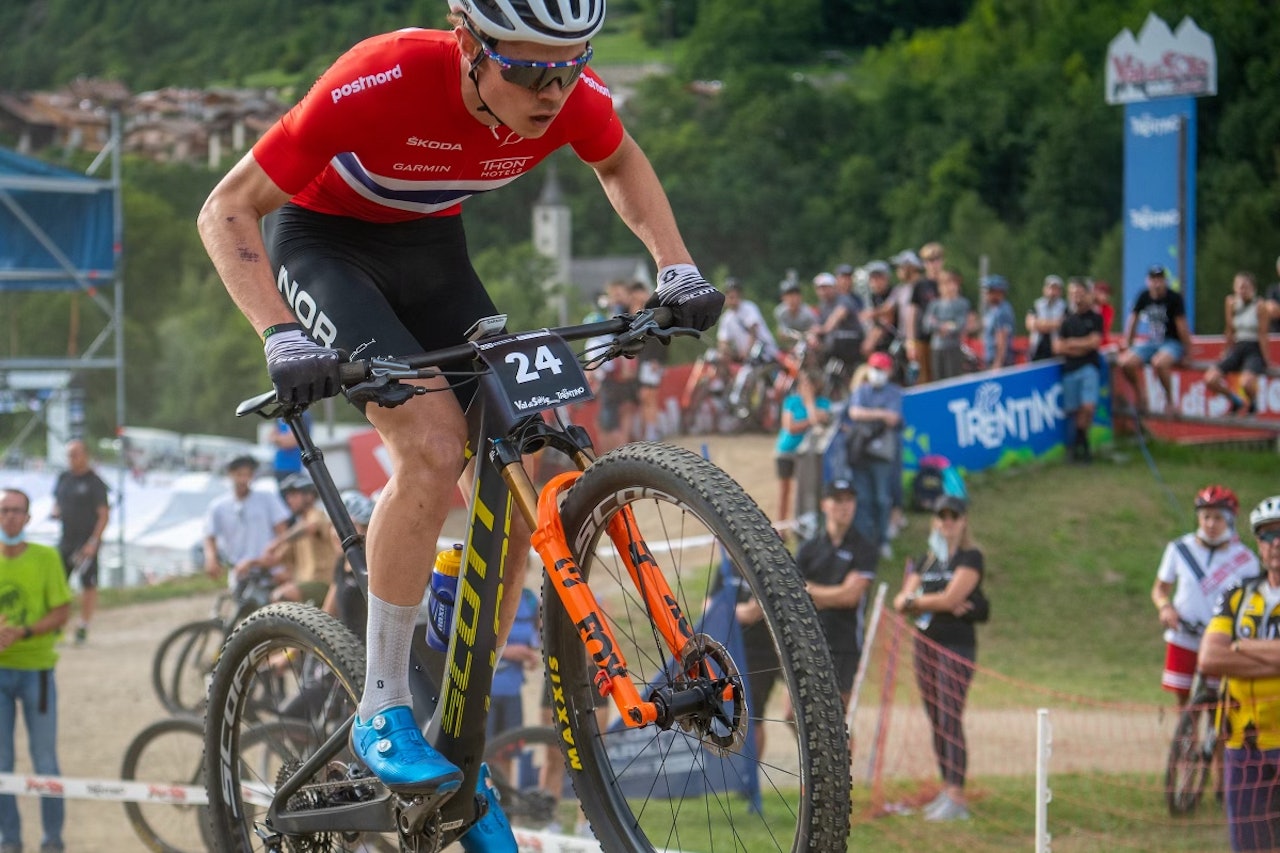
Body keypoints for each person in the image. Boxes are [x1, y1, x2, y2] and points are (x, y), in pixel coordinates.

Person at [196, 2, 724, 835]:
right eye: (528, 71)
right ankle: (380, 705)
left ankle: (458, 727)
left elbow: (620, 162)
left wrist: (676, 267)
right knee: (435, 446)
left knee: (531, 467)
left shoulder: (565, 89)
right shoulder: (383, 75)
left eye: (569, 65)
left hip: (435, 255)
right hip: (327, 250)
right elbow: (225, 209)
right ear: (471, 47)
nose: (552, 89)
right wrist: (279, 334)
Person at [892, 495, 986, 822]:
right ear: (935, 521)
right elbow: (900, 599)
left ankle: (957, 796)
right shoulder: (927, 560)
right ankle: (947, 789)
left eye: (953, 516)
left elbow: (951, 599)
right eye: (942, 516)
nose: (947, 522)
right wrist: (926, 602)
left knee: (950, 717)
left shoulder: (970, 557)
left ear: (963, 521)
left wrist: (921, 601)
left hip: (956, 646)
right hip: (926, 646)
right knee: (935, 717)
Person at [1198, 496, 1280, 852]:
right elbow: (1210, 659)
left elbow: (1227, 652)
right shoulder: (1236, 596)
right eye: (1268, 535)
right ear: (1258, 544)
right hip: (1242, 745)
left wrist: (1242, 647)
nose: (1276, 543)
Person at [0, 488, 73, 853]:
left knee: (45, 761)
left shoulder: (46, 558)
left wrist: (23, 632)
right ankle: (9, 839)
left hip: (37, 671)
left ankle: (52, 840)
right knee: (1, 763)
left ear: (28, 518)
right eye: (4, 511)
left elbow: (62, 611)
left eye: (16, 511)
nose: (9, 517)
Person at [1153, 485, 1259, 706]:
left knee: (1215, 703)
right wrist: (1165, 607)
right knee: (1183, 701)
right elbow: (1160, 588)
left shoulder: (1246, 559)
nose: (1211, 524)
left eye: (1218, 517)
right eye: (1206, 516)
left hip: (1219, 641)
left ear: (1229, 520)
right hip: (1183, 634)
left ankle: (1215, 740)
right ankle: (1185, 740)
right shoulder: (1179, 549)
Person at [792, 479, 878, 712]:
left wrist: (814, 593)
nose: (844, 506)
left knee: (837, 718)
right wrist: (837, 591)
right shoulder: (809, 548)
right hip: (809, 639)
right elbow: (796, 594)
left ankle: (841, 749)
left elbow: (850, 597)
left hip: (845, 642)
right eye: (838, 500)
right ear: (824, 505)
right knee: (794, 713)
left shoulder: (865, 548)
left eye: (849, 500)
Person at [843, 351, 903, 556]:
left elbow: (894, 418)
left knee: (881, 498)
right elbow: (855, 413)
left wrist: (871, 415)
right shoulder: (861, 390)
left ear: (888, 371)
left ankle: (883, 539)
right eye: (874, 368)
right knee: (863, 499)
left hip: (882, 455)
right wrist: (881, 414)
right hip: (860, 453)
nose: (877, 373)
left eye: (881, 369)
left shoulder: (894, 392)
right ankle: (865, 541)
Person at [50, 439, 108, 645]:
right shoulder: (64, 478)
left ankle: (83, 626)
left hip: (86, 543)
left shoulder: (94, 482)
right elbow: (57, 501)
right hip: (65, 541)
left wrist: (94, 541)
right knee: (58, 584)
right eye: (69, 455)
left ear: (85, 455)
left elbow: (103, 515)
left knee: (88, 585)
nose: (72, 459)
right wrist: (56, 511)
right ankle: (56, 626)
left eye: (75, 454)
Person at [201, 455, 292, 587]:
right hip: (239, 571)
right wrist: (211, 559)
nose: (244, 480)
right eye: (239, 475)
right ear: (230, 475)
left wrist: (278, 557)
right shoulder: (219, 506)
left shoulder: (267, 498)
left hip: (268, 569)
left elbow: (282, 532)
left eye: (248, 475)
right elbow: (209, 535)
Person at [1117, 265, 1192, 415]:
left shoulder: (1174, 298)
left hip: (1172, 342)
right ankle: (1141, 395)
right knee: (1125, 362)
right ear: (1148, 281)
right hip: (1152, 341)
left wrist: (1187, 352)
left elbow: (1182, 326)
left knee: (1159, 363)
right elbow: (1133, 320)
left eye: (1160, 279)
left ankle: (1170, 400)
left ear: (1165, 281)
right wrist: (1128, 344)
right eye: (1154, 280)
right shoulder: (1144, 296)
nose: (1157, 283)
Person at [267, 473, 340, 605]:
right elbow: (278, 558)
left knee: (282, 596)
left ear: (309, 495)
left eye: (294, 495)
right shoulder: (297, 528)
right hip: (304, 585)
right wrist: (251, 564)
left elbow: (311, 527)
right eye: (288, 496)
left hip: (323, 583)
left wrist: (279, 541)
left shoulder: (317, 515)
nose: (289, 500)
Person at [1204, 271, 1270, 416]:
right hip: (1238, 347)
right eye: (1239, 287)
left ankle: (1253, 403)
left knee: (1246, 383)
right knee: (1210, 378)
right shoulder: (1231, 303)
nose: (1242, 291)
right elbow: (1229, 329)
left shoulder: (1260, 306)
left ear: (1253, 288)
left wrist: (1266, 359)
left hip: (1253, 348)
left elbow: (1262, 334)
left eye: (1246, 287)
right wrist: (1226, 349)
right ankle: (1235, 400)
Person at [1053, 278, 1104, 463]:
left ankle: (1081, 444)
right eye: (1074, 294)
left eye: (1080, 293)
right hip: (1070, 369)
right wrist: (1082, 345)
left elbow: (1094, 343)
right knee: (1073, 410)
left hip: (1089, 367)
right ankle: (1080, 447)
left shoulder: (1095, 318)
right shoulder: (1066, 320)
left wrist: (1071, 344)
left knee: (1088, 407)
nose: (1077, 298)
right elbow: (1058, 347)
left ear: (1088, 295)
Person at [773, 367, 831, 525]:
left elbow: (821, 421)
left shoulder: (823, 403)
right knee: (784, 490)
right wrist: (811, 421)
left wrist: (810, 403)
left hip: (807, 455)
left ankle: (802, 523)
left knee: (804, 490)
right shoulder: (791, 401)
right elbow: (789, 427)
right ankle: (781, 526)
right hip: (786, 450)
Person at [487, 587, 540, 740]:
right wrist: (507, 651)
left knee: (508, 751)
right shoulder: (489, 596)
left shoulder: (529, 600)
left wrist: (529, 656)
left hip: (513, 691)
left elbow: (535, 638)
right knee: (485, 751)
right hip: (486, 693)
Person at [809, 270, 865, 396]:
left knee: (831, 343)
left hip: (852, 338)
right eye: (820, 288)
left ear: (834, 287)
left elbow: (836, 318)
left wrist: (822, 330)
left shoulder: (844, 300)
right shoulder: (823, 305)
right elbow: (817, 325)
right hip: (837, 340)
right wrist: (813, 336)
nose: (823, 291)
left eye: (826, 288)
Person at [921, 268, 972, 381]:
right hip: (937, 347)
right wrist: (943, 326)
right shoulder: (935, 304)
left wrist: (940, 325)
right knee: (937, 378)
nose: (948, 287)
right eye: (944, 284)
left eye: (951, 283)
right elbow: (927, 324)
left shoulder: (962, 303)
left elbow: (960, 324)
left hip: (953, 346)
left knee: (952, 378)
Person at [716, 278, 776, 363]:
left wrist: (746, 352)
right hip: (749, 359)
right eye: (729, 295)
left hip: (765, 352)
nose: (732, 299)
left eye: (734, 295)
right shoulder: (726, 318)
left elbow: (753, 332)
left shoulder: (749, 308)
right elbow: (722, 341)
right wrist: (727, 352)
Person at [1025, 274, 1065, 362]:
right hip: (1037, 349)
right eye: (1050, 288)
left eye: (1055, 289)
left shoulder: (1064, 307)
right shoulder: (1037, 305)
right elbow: (1030, 324)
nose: (1052, 292)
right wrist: (1054, 324)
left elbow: (1063, 324)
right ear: (1044, 289)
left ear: (1060, 291)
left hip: (1056, 350)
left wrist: (1040, 323)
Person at [978, 275, 1015, 369]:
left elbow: (1002, 338)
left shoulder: (1003, 311)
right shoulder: (991, 310)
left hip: (1000, 362)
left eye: (989, 291)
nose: (986, 295)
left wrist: (998, 363)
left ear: (998, 293)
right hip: (990, 357)